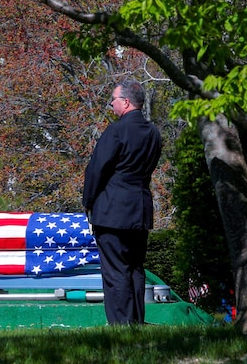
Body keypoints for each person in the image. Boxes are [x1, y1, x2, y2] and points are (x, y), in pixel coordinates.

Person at [82, 79, 162, 325]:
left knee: (115, 270)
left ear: (126, 102)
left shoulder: (116, 131)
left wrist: (89, 201)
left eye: (113, 101)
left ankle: (120, 324)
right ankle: (136, 321)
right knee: (135, 268)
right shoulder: (153, 134)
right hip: (140, 209)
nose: (111, 105)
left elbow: (96, 170)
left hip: (113, 210)